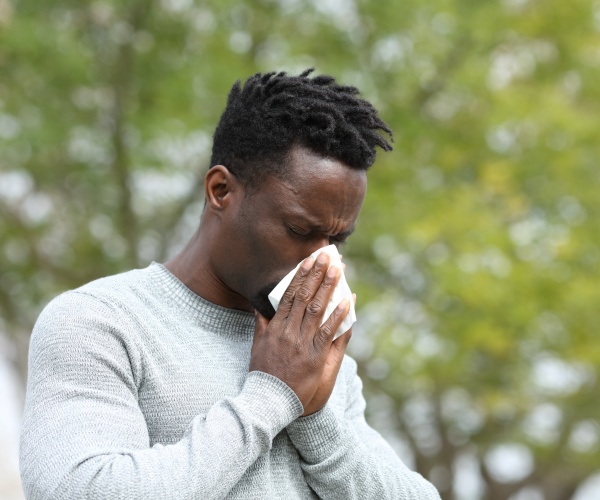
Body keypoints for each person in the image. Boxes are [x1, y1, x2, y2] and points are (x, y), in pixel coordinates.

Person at [20, 69, 440, 500]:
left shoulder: (313, 353)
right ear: (220, 190)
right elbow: (77, 491)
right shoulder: (99, 323)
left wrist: (315, 419)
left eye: (335, 240)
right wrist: (271, 397)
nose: (323, 262)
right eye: (299, 229)